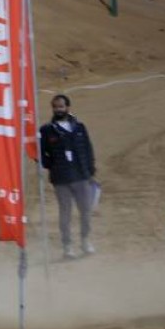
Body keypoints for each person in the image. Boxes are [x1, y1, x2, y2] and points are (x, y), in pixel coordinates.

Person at [39, 95, 96, 259]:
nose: (58, 110)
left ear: (68, 107)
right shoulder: (46, 130)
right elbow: (40, 154)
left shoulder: (79, 127)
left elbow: (88, 149)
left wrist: (90, 171)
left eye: (61, 106)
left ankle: (85, 240)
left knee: (86, 211)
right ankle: (67, 246)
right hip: (61, 179)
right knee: (65, 213)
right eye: (55, 107)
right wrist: (52, 165)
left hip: (81, 176)